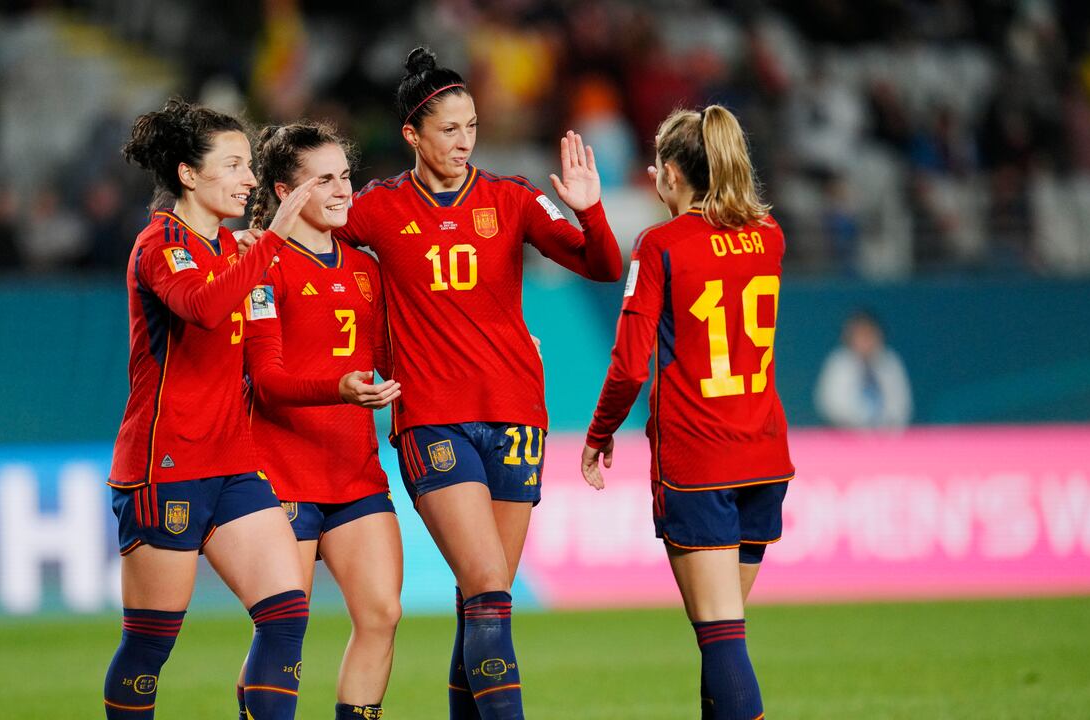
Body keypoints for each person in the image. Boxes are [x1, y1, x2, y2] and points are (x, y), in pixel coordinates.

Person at [336, 46, 623, 720]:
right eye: (449, 129)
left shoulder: (512, 198)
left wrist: (591, 211)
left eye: (471, 126)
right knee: (490, 587)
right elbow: (308, 255)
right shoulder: (377, 210)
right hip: (433, 417)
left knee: (482, 601)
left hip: (517, 415)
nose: (464, 141)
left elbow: (604, 266)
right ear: (413, 134)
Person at [104, 97, 320, 720]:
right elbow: (201, 306)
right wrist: (270, 243)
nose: (251, 179)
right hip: (164, 465)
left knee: (286, 616)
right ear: (188, 174)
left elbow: (264, 354)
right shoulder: (160, 244)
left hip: (232, 464)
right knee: (149, 646)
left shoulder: (235, 247)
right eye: (233, 165)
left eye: (250, 164)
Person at [580, 105, 794, 720]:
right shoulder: (771, 236)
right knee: (724, 640)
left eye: (656, 166)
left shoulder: (661, 245)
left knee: (721, 637)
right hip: (764, 458)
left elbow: (627, 365)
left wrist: (599, 434)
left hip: (699, 462)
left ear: (672, 173)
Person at [240, 121, 404, 720]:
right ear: (286, 192)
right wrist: (337, 388)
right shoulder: (262, 264)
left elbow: (393, 358)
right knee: (285, 629)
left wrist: (507, 348)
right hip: (282, 474)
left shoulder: (366, 268)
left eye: (346, 177)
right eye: (324, 179)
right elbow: (268, 381)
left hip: (355, 472)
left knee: (382, 614)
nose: (342, 191)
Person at [814, 309, 912, 429]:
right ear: (849, 337)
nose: (866, 340)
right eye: (860, 335)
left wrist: (884, 427)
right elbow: (830, 404)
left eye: (870, 334)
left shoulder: (890, 361)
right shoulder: (839, 362)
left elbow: (901, 405)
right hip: (843, 436)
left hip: (886, 437)